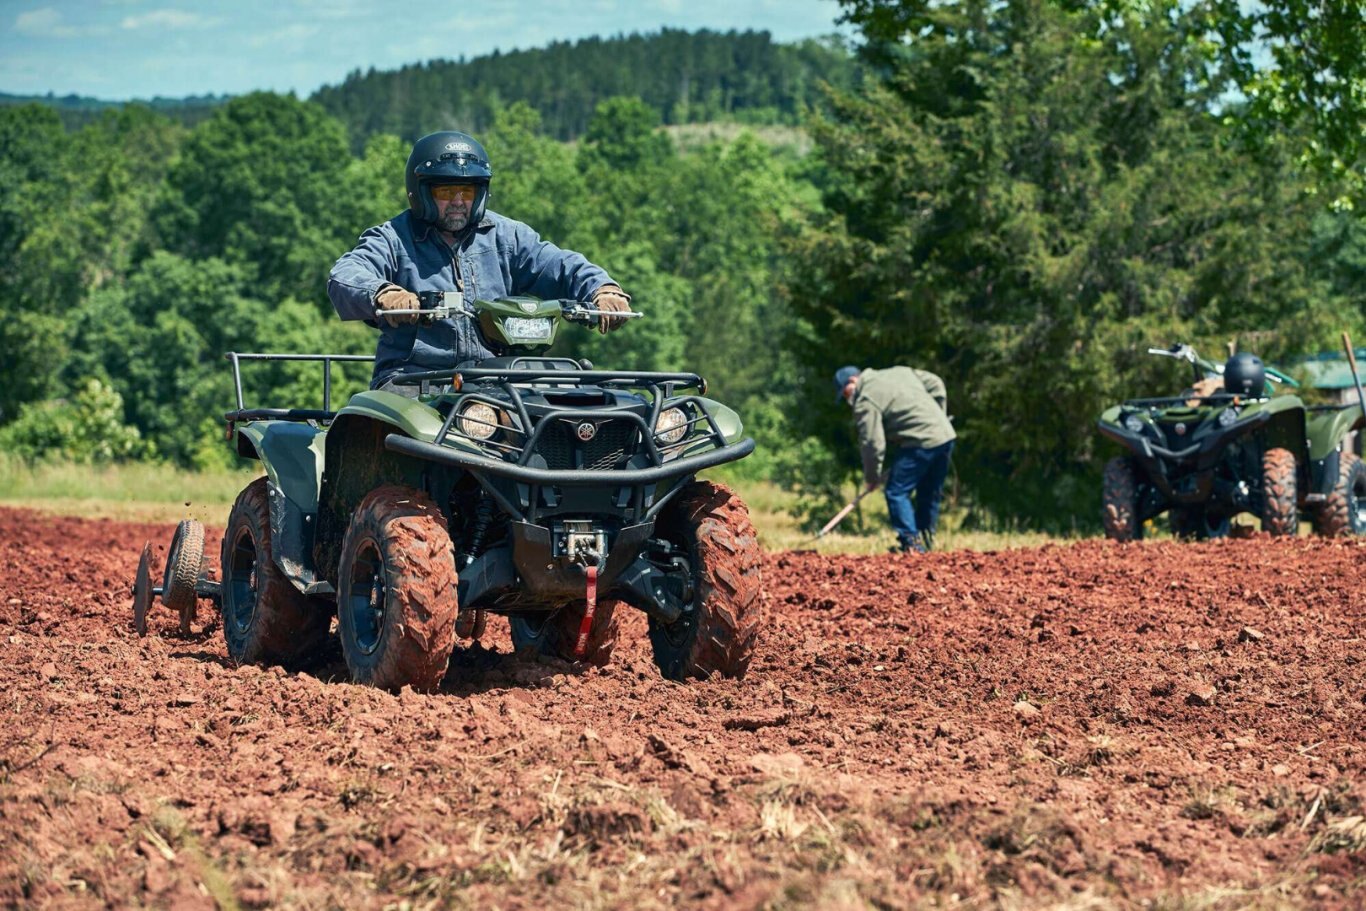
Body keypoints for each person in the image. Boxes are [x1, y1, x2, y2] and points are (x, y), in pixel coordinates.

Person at [328, 130, 632, 392]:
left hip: (499, 377)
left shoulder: (507, 236)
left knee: (564, 408)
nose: (459, 200)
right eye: (446, 190)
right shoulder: (393, 238)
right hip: (415, 379)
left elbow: (559, 263)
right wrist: (385, 294)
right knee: (409, 434)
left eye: (468, 190)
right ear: (420, 192)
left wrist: (602, 289)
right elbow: (345, 275)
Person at [834, 365, 956, 554]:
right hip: (945, 435)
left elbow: (872, 442)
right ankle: (925, 541)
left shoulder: (865, 398)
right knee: (929, 492)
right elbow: (936, 383)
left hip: (919, 441)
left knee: (896, 492)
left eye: (845, 393)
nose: (847, 399)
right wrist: (939, 415)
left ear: (852, 382)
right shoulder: (899, 372)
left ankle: (912, 545)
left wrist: (872, 477)